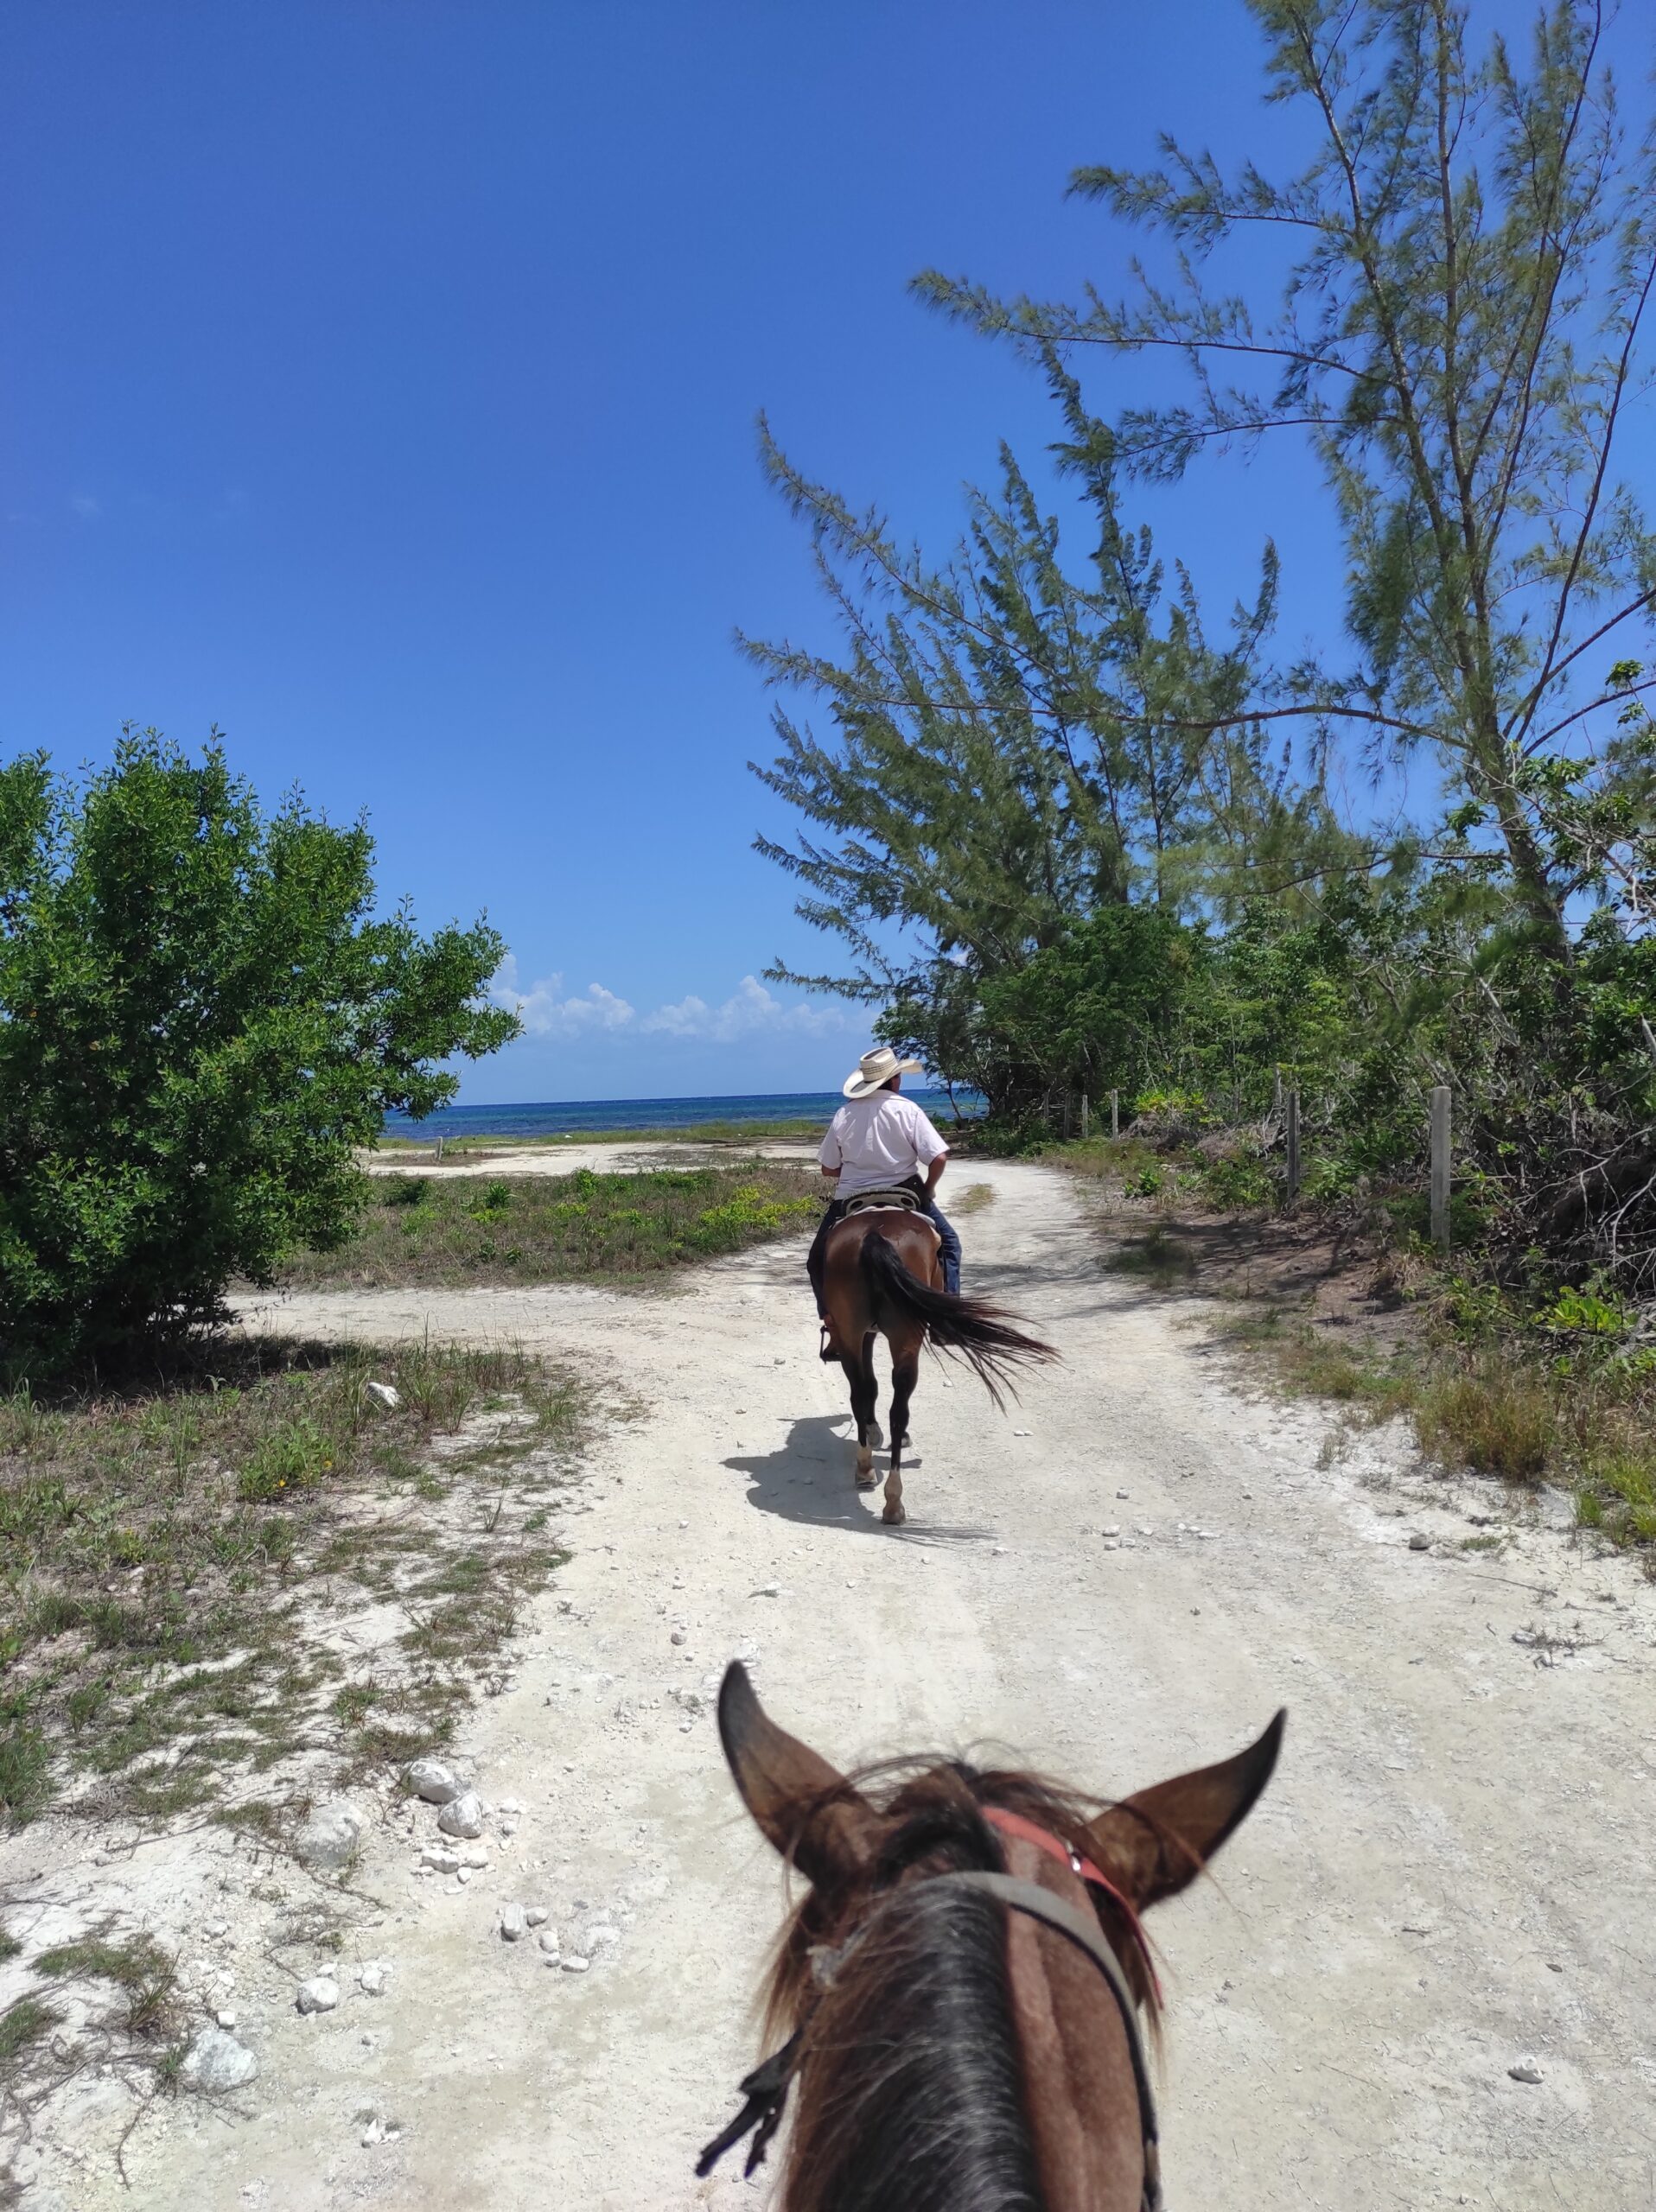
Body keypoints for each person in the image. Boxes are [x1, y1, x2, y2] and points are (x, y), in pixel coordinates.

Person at [807, 1046, 963, 1327]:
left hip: (851, 1196)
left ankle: (831, 1322)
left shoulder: (844, 1114)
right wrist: (928, 1187)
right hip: (905, 1190)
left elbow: (828, 1168)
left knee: (817, 1257)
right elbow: (938, 1157)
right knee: (950, 1244)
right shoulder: (908, 1110)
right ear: (893, 1081)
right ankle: (947, 1320)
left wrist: (857, 1169)